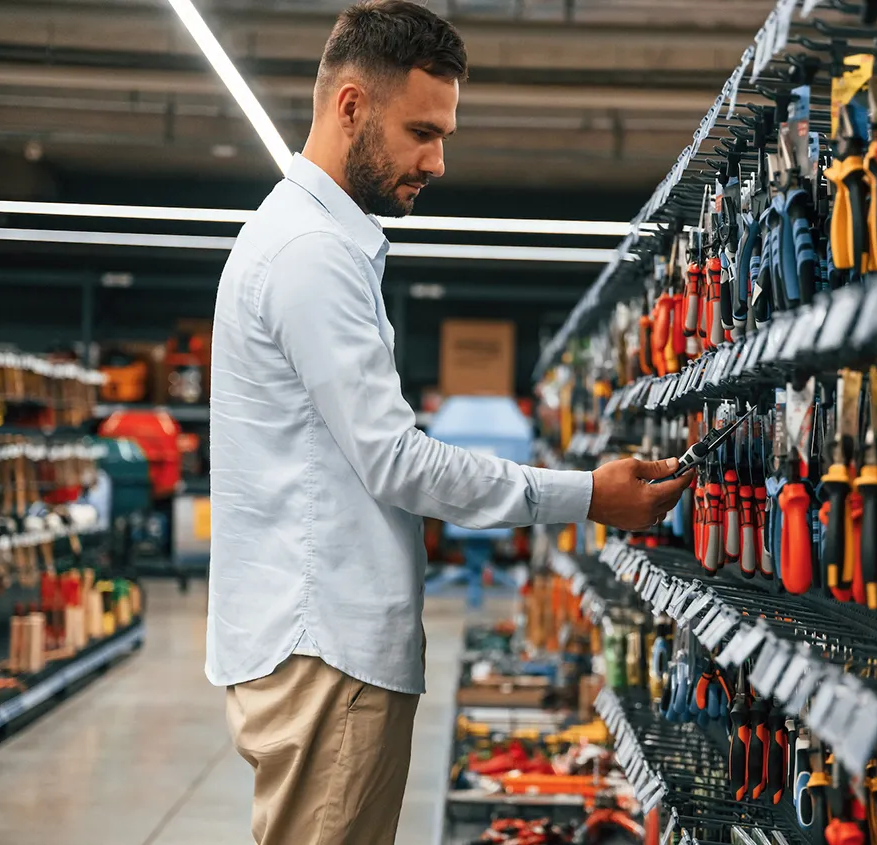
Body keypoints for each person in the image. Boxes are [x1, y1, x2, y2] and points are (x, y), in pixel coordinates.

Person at [204, 2, 692, 844]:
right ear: (349, 106)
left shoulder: (308, 240)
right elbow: (398, 462)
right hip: (328, 651)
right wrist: (586, 496)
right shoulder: (309, 255)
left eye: (445, 136)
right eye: (420, 132)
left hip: (311, 640)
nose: (435, 161)